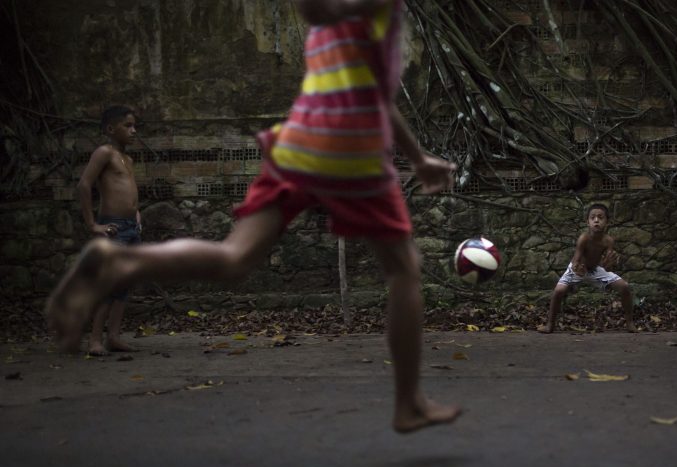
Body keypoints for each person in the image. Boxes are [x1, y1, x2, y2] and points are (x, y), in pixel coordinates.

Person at [47, 0, 461, 433]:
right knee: (404, 271)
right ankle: (409, 402)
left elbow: (374, 91)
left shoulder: (358, 31)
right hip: (350, 150)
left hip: (299, 141)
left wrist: (418, 157)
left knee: (234, 258)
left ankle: (120, 262)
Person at [75, 105, 142, 355]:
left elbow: (128, 190)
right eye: (128, 126)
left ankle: (113, 336)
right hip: (113, 227)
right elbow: (84, 185)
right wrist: (92, 224)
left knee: (124, 284)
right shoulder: (104, 152)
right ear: (110, 129)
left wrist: (136, 212)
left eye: (134, 126)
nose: (133, 131)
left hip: (131, 227)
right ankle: (94, 340)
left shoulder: (128, 158)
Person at [542, 203, 636, 333]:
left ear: (607, 222)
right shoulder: (584, 238)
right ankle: (550, 324)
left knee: (624, 287)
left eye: (600, 217)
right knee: (558, 291)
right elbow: (576, 259)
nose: (596, 220)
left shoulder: (608, 241)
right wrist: (577, 269)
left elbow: (607, 266)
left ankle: (630, 322)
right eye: (593, 217)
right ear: (588, 222)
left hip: (595, 270)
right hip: (577, 268)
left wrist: (609, 264)